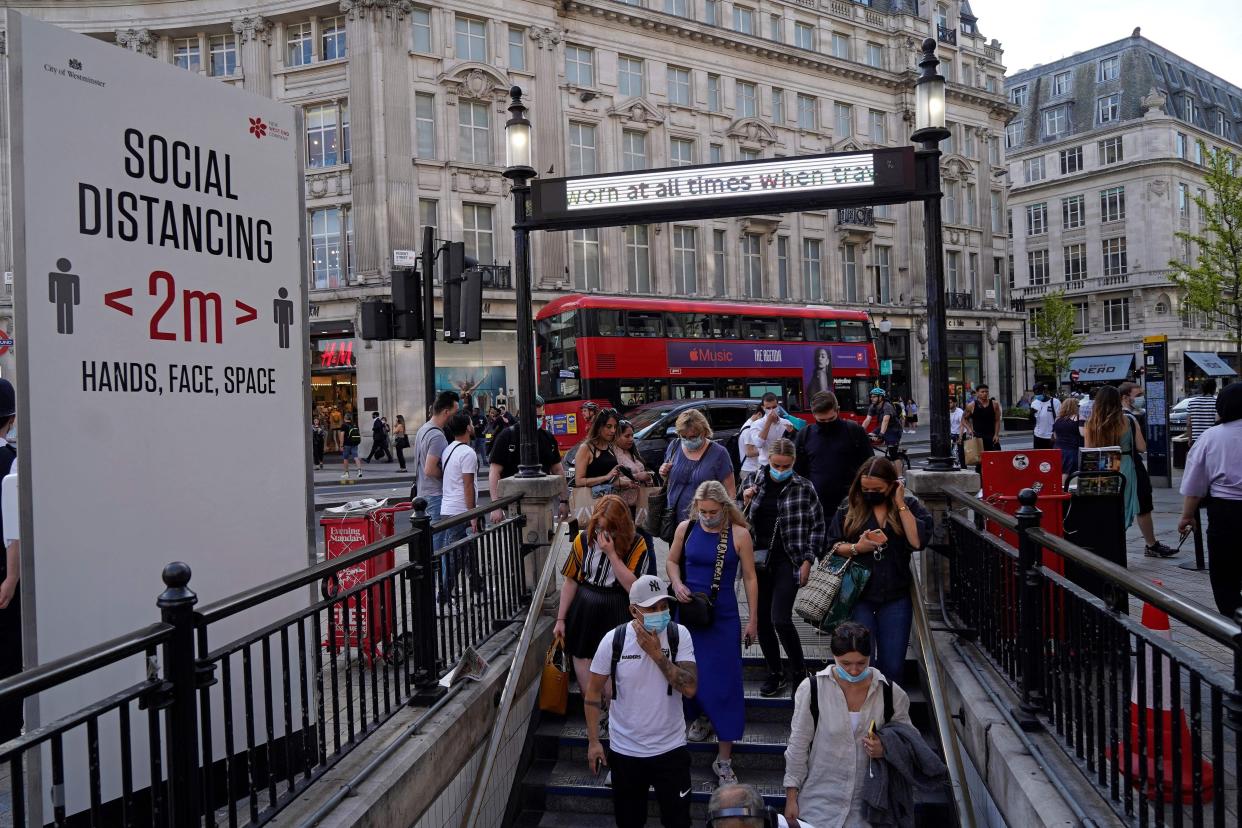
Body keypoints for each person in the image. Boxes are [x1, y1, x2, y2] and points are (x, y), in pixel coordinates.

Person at [585, 575, 697, 828]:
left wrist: (658, 656)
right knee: (629, 822)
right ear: (633, 611)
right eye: (652, 608)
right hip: (626, 753)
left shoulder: (680, 635)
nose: (660, 613)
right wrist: (593, 742)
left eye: (664, 606)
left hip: (671, 750)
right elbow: (592, 692)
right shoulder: (614, 640)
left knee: (678, 822)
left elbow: (690, 688)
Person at [666, 481, 759, 786]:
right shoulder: (686, 528)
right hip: (689, 615)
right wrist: (677, 583)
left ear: (725, 508)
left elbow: (749, 576)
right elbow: (671, 561)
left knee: (726, 684)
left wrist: (753, 619)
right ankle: (702, 718)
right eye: (702, 511)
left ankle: (724, 759)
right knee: (689, 677)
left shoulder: (739, 534)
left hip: (723, 618)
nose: (707, 517)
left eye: (713, 512)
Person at [783, 622, 913, 828]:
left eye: (861, 663)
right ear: (833, 657)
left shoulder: (890, 693)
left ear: (870, 657)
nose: (853, 670)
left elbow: (911, 745)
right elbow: (798, 745)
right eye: (845, 664)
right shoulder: (812, 689)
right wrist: (791, 797)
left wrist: (886, 748)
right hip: (819, 803)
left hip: (870, 807)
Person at [825, 458, 934, 683]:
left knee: (893, 665)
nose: (871, 493)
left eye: (877, 489)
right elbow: (832, 547)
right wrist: (858, 547)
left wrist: (901, 503)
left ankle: (889, 713)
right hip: (858, 595)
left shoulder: (909, 506)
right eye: (866, 489)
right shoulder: (850, 507)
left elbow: (917, 542)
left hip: (895, 595)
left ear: (892, 485)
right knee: (863, 662)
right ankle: (865, 714)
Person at [741, 439, 826, 697]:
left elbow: (817, 526)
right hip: (756, 560)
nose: (780, 469)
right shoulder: (754, 481)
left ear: (793, 463)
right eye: (776, 465)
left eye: (786, 465)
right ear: (769, 460)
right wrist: (743, 500)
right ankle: (774, 672)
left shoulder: (804, 487)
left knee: (780, 618)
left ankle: (800, 670)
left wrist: (808, 561)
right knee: (764, 620)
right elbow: (736, 522)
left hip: (788, 560)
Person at [556, 495, 651, 702]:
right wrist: (561, 619)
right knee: (584, 672)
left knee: (613, 679)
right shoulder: (583, 540)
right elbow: (570, 581)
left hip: (617, 606)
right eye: (599, 528)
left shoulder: (637, 544)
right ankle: (594, 716)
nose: (603, 535)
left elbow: (633, 588)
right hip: (585, 606)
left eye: (610, 529)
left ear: (621, 525)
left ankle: (614, 718)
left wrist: (612, 555)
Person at [1179, 381, 1242, 618]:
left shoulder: (1211, 437)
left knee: (1225, 573)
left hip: (1225, 512)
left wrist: (1187, 515)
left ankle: (1233, 620)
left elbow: (1195, 484)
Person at [488, 395, 569, 524]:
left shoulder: (547, 438)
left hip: (544, 504)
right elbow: (494, 472)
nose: (537, 420)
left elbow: (558, 470)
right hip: (513, 506)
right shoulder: (507, 436)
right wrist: (496, 506)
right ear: (523, 415)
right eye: (534, 417)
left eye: (540, 416)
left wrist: (564, 501)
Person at [794, 392, 873, 517]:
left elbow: (870, 465)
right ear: (814, 415)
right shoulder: (805, 435)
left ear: (838, 411)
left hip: (851, 504)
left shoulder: (854, 431)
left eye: (831, 419)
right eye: (821, 420)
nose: (826, 423)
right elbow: (798, 471)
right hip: (817, 505)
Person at [1120, 382, 1175, 557]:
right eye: (1138, 395)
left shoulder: (1101, 419)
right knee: (1144, 504)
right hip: (1132, 463)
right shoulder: (1129, 418)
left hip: (1112, 465)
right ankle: (1151, 545)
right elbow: (1142, 447)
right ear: (1124, 397)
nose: (1141, 398)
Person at [659, 409, 737, 523]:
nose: (688, 440)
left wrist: (728, 520)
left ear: (704, 432)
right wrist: (663, 472)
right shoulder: (674, 446)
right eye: (684, 437)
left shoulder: (719, 453)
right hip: (674, 519)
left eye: (693, 437)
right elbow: (670, 481)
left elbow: (731, 492)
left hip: (706, 520)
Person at [438, 411, 482, 611]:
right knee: (455, 556)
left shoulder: (449, 450)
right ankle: (443, 598)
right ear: (467, 428)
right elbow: (467, 485)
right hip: (461, 510)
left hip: (449, 508)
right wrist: (472, 514)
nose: (473, 426)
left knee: (468, 551)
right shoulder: (468, 453)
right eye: (471, 423)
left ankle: (477, 589)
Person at [1084, 385, 1140, 529]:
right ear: (1117, 400)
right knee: (1123, 506)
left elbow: (1089, 450)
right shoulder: (1128, 420)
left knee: (1104, 505)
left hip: (1101, 464)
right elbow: (1141, 447)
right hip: (1124, 463)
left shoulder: (1091, 423)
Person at [0, 379, 21, 742]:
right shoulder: (12, 462)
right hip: (2, 571)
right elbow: (15, 527)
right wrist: (12, 577)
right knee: (7, 657)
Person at [414, 390, 461, 541]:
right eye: (456, 411)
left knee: (431, 542)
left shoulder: (423, 429)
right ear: (447, 412)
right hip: (434, 495)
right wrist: (450, 474)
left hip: (423, 492)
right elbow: (430, 469)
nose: (457, 416)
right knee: (438, 544)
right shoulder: (437, 436)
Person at [573, 407, 621, 513]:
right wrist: (606, 477)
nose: (613, 430)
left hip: (611, 505)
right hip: (593, 507)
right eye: (608, 426)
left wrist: (628, 481)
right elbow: (579, 481)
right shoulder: (586, 448)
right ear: (599, 427)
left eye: (615, 427)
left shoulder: (611, 447)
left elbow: (612, 480)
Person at [612, 419, 655, 520]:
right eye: (627, 436)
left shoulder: (632, 452)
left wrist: (648, 478)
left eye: (632, 435)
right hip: (623, 506)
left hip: (641, 502)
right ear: (616, 437)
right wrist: (636, 477)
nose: (631, 439)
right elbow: (611, 480)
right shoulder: (612, 455)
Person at [860, 388, 902, 459]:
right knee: (868, 438)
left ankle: (897, 468)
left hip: (894, 429)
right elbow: (867, 419)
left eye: (874, 397)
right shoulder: (873, 406)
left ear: (881, 397)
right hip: (881, 427)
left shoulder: (887, 406)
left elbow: (885, 420)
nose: (871, 398)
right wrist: (860, 431)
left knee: (893, 454)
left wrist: (881, 435)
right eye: (871, 396)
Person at [1052, 397, 1084, 484]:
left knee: (1058, 473)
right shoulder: (1078, 417)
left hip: (1057, 449)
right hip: (1072, 450)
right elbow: (1083, 433)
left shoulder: (1058, 419)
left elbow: (1055, 435)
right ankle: (1065, 493)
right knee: (1067, 474)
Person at [962, 383, 1002, 453]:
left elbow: (997, 420)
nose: (985, 393)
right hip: (978, 436)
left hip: (991, 435)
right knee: (980, 460)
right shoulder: (971, 405)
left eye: (986, 391)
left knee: (996, 457)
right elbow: (964, 419)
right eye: (982, 392)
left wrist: (996, 435)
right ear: (977, 393)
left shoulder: (994, 404)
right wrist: (969, 429)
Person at [1187, 378, 1218, 445]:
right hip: (1211, 439)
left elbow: (1189, 423)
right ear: (1214, 389)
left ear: (1202, 389)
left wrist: (1190, 439)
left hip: (1196, 440)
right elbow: (1217, 422)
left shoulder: (1192, 402)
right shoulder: (1217, 403)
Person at [1030, 384, 1060, 450]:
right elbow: (1033, 420)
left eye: (1039, 393)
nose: (1037, 395)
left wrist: (1055, 432)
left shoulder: (1055, 402)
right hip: (1037, 435)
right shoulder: (1034, 403)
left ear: (1044, 391)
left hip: (1051, 436)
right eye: (1035, 393)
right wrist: (1031, 415)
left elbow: (1058, 419)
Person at [339, 413, 364, 481]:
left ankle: (346, 473)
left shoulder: (344, 425)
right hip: (354, 443)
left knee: (345, 458)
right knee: (356, 456)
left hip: (347, 444)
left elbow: (342, 436)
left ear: (344, 418)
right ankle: (359, 471)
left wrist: (341, 445)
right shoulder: (354, 425)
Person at [948, 397, 965, 466]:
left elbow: (962, 425)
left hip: (960, 433)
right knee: (951, 451)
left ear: (955, 403)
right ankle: (953, 465)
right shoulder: (947, 412)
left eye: (950, 402)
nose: (949, 404)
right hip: (952, 433)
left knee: (961, 452)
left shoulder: (960, 412)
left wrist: (960, 437)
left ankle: (964, 467)